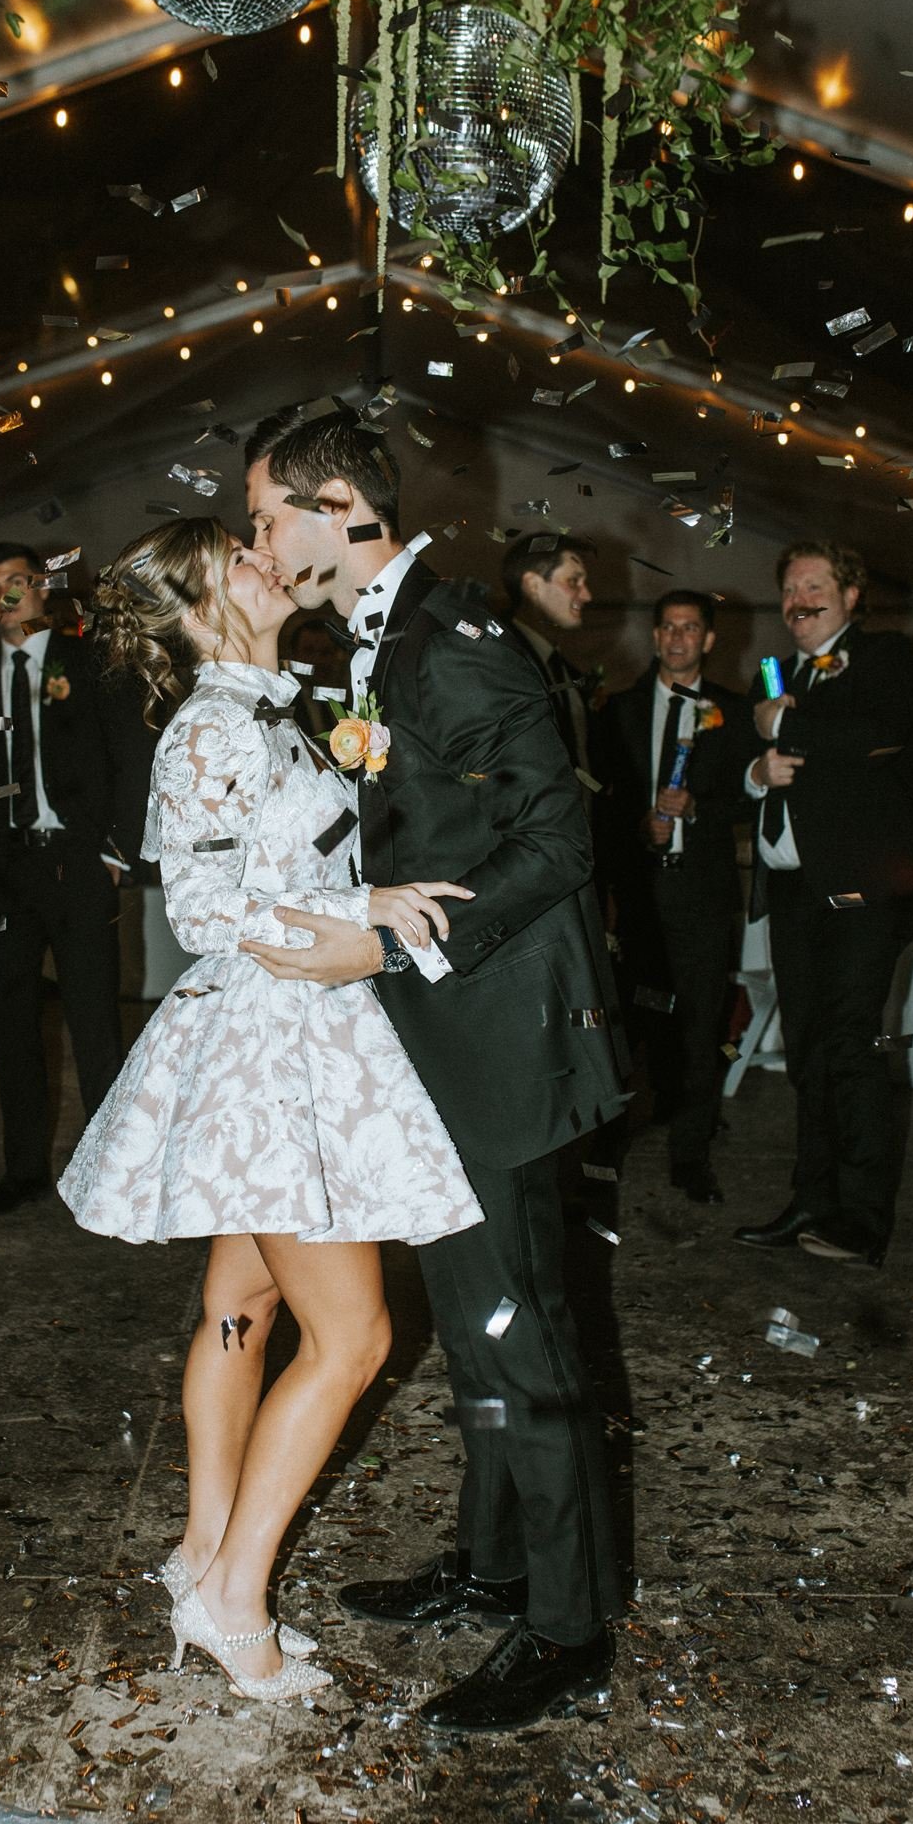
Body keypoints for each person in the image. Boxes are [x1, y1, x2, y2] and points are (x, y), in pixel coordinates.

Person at [243, 407, 627, 1735]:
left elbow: (556, 842)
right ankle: (495, 1561)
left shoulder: (451, 639)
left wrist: (384, 939)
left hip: (500, 1045)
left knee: (522, 1333)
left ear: (335, 506)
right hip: (440, 1040)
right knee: (474, 1325)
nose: (256, 541)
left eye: (266, 515)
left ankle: (567, 1625)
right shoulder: (382, 636)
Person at [58, 516, 483, 1701]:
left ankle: (202, 1549)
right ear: (205, 607)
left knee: (239, 1305)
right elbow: (198, 908)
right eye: (240, 559)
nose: (265, 556)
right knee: (353, 1339)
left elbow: (282, 860)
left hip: (289, 1022)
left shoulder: (273, 708)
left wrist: (368, 890)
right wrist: (354, 918)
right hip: (270, 1042)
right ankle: (235, 1600)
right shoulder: (210, 723)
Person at [734, 540, 913, 1268]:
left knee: (851, 1045)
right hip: (796, 890)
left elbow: (879, 737)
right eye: (790, 589)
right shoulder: (776, 673)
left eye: (815, 586)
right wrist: (757, 773)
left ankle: (862, 1219)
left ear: (852, 594)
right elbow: (752, 766)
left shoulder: (886, 656)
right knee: (809, 1051)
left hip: (866, 887)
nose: (799, 601)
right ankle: (812, 1200)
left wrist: (780, 726)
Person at [0, 542, 152, 1216]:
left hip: (80, 864)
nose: (5, 596)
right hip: (2, 873)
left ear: (42, 587)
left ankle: (111, 1175)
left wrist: (117, 853)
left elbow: (131, 758)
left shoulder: (89, 660)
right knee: (10, 1028)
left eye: (17, 581)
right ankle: (23, 1170)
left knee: (94, 1025)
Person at [596, 592, 751, 1204]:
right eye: (667, 627)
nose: (678, 638)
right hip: (641, 893)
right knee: (631, 1022)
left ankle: (691, 1155)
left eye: (690, 628)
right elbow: (599, 798)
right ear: (655, 637)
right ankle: (606, 1153)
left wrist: (699, 810)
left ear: (708, 640)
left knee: (700, 1024)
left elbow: (752, 797)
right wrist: (639, 826)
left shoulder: (734, 712)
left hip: (702, 892)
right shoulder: (620, 710)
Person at [500, 531, 597, 781]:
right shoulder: (501, 663)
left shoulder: (566, 671)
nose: (587, 595)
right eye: (573, 582)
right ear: (533, 586)